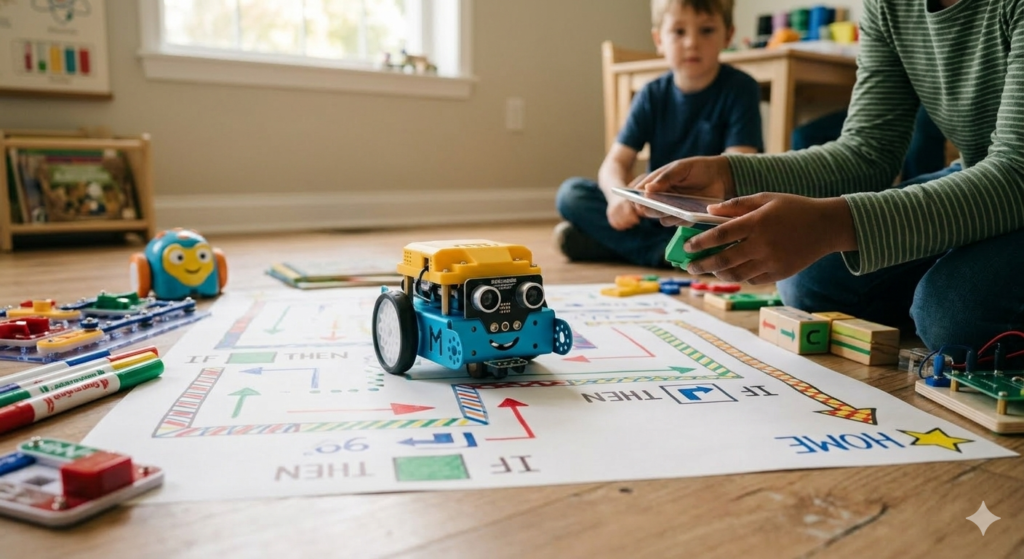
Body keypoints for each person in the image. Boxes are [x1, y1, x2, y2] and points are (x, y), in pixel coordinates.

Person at [631, 0, 1024, 352]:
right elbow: (868, 151)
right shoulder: (888, 6)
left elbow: (1015, 174)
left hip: (1012, 183)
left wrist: (830, 224)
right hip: (978, 177)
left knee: (952, 314)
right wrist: (731, 175)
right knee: (809, 282)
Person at [554, 0, 763, 268]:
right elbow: (615, 163)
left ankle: (640, 249)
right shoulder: (651, 94)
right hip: (655, 213)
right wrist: (616, 199)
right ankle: (671, 254)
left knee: (742, 227)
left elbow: (740, 169)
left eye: (706, 30)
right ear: (659, 39)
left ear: (728, 35)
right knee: (571, 194)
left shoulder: (741, 89)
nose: (691, 42)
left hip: (707, 218)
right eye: (678, 32)